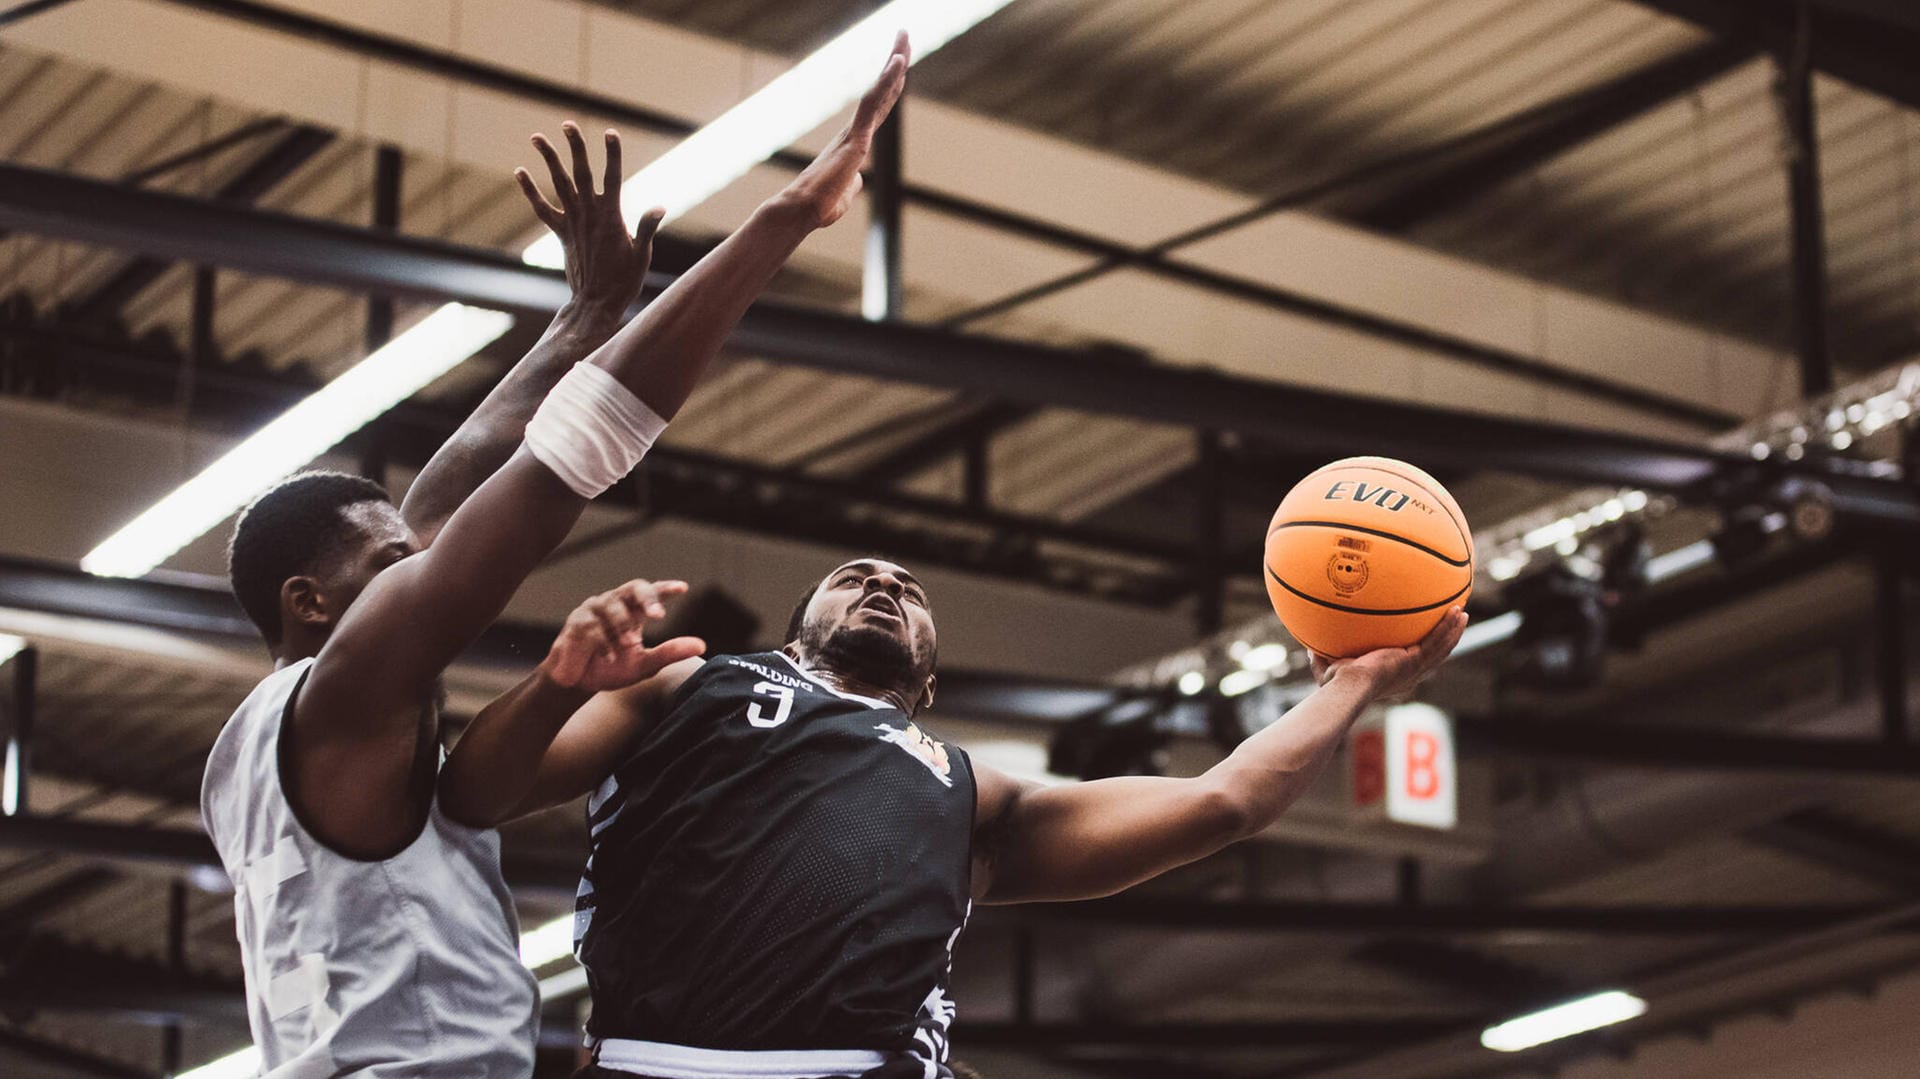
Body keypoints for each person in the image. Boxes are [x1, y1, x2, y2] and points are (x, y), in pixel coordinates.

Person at [201, 36, 911, 1077]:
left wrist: (583, 312)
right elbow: (555, 469)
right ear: (310, 601)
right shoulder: (344, 695)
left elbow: (454, 490)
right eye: (387, 564)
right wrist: (782, 220)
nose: (417, 569)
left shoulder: (268, 738)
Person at [443, 556, 1467, 1079]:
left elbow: (1225, 799)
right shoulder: (691, 683)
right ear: (801, 636)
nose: (884, 582)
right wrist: (552, 682)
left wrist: (1353, 683)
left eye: (907, 589)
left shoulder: (976, 789)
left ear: (927, 682)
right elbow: (469, 795)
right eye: (855, 579)